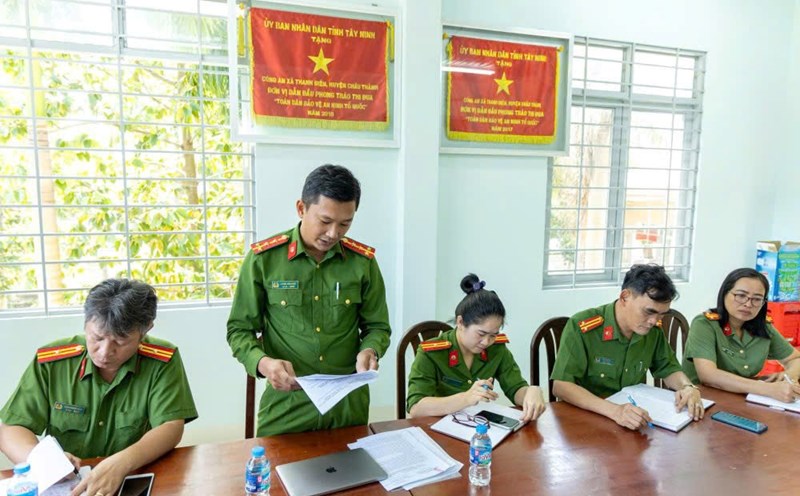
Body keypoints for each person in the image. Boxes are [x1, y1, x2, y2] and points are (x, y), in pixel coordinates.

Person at [227, 164, 391, 436]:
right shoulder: (264, 260)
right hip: (287, 405)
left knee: (354, 465)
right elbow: (239, 330)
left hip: (347, 406)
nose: (333, 233)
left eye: (345, 224)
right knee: (274, 465)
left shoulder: (362, 263)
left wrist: (371, 350)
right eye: (325, 221)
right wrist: (264, 363)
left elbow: (377, 327)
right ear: (301, 208)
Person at [0, 279, 197, 496]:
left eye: (120, 342)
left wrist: (122, 462)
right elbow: (11, 429)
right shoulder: (53, 363)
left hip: (132, 479)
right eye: (97, 338)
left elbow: (170, 426)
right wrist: (45, 461)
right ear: (85, 323)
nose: (104, 352)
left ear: (145, 330)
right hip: (69, 486)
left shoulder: (161, 361)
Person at [550, 264, 704, 430]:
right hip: (586, 422)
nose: (654, 321)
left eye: (661, 314)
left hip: (631, 423)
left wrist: (687, 387)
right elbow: (561, 386)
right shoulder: (583, 327)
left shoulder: (652, 332)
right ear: (625, 297)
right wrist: (615, 411)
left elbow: (668, 368)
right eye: (649, 312)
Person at [406, 274, 546, 422]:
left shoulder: (497, 349)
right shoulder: (431, 353)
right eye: (481, 333)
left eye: (493, 335)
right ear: (460, 322)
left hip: (477, 424)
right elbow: (416, 408)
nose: (486, 342)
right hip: (436, 426)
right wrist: (466, 398)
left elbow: (515, 388)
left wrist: (531, 392)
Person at [683, 267, 800, 402]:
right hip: (701, 399)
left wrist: (789, 375)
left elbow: (795, 358)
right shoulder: (704, 324)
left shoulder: (764, 327)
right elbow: (709, 376)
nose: (748, 304)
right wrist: (768, 389)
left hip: (744, 398)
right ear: (725, 294)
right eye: (741, 296)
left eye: (757, 299)